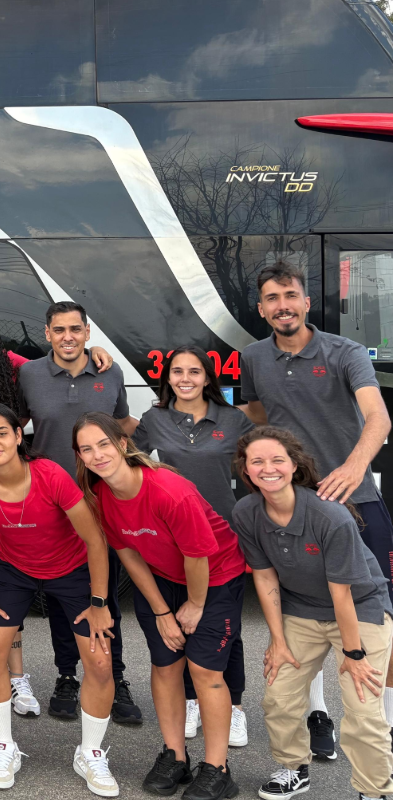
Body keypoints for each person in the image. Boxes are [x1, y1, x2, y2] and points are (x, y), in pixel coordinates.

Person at [239, 261, 393, 759]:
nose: (282, 305)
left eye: (290, 295)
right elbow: (257, 415)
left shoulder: (344, 351)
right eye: (272, 298)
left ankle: (384, 721)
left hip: (357, 503)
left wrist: (352, 468)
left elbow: (378, 416)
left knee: (378, 616)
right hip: (295, 506)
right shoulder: (254, 358)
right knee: (301, 615)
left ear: (306, 302)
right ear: (262, 309)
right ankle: (319, 716)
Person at [0, 303, 113, 717]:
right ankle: (0, 700)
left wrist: (96, 351)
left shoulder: (16, 367)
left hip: (40, 510)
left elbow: (59, 353)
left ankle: (24, 682)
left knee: (99, 654)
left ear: (18, 433)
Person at [75, 412, 246, 800]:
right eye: (87, 449)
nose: (97, 454)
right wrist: (162, 611)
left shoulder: (169, 490)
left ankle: (218, 769)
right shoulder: (101, 494)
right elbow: (128, 554)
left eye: (103, 444)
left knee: (203, 669)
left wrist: (196, 606)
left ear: (122, 444)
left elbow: (199, 557)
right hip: (164, 577)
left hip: (215, 575)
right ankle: (175, 756)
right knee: (165, 663)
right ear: (81, 457)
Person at [0, 403, 119, 796]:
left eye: (1, 432)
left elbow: (95, 540)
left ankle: (90, 753)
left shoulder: (49, 475)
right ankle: (3, 747)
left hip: (71, 570)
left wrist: (99, 604)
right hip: (13, 570)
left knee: (100, 662)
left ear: (18, 436)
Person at [232, 426, 393, 800]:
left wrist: (352, 655)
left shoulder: (329, 515)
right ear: (246, 470)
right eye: (257, 461)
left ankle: (374, 791)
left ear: (294, 465)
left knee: (363, 710)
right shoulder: (246, 512)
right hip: (301, 610)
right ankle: (294, 770)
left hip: (359, 610)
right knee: (279, 696)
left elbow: (344, 597)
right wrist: (277, 640)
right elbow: (266, 577)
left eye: (277, 460)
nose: (267, 468)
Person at [17, 301, 140, 726]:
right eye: (58, 329)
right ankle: (67, 676)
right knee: (60, 594)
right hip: (50, 503)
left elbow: (123, 427)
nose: (67, 336)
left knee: (103, 594)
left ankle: (116, 677)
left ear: (88, 332)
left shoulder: (112, 372)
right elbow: (16, 430)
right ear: (46, 334)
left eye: (76, 329)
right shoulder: (28, 375)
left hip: (100, 499)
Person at [133, 347, 253, 748]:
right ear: (168, 378)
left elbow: (255, 469)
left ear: (207, 378)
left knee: (224, 629)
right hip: (174, 541)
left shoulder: (235, 420)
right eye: (177, 372)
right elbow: (130, 460)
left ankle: (234, 707)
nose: (185, 378)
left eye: (194, 371)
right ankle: (189, 701)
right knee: (183, 627)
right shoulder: (154, 419)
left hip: (222, 539)